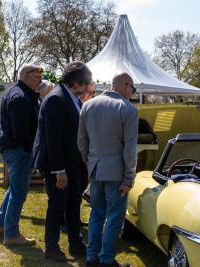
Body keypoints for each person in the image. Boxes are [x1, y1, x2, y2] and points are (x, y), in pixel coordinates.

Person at [32, 61, 91, 262]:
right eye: (87, 82)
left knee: (73, 204)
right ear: (76, 82)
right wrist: (59, 170)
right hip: (58, 165)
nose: (88, 86)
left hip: (71, 162)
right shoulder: (56, 99)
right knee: (57, 206)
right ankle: (52, 247)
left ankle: (76, 244)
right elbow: (52, 139)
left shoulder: (71, 97)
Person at [78, 72, 138, 267]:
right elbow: (130, 149)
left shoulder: (88, 105)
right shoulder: (128, 109)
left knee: (96, 213)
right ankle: (105, 260)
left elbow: (81, 142)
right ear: (126, 85)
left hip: (95, 169)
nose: (132, 92)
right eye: (132, 88)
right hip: (117, 172)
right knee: (113, 217)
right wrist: (129, 177)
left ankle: (91, 257)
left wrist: (89, 163)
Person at [0, 64, 42, 246]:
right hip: (19, 150)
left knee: (14, 189)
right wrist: (31, 150)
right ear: (25, 75)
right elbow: (21, 131)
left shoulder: (21, 93)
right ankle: (12, 234)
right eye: (36, 74)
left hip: (15, 149)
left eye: (40, 75)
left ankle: (0, 224)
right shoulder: (20, 97)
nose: (40, 78)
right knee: (19, 192)